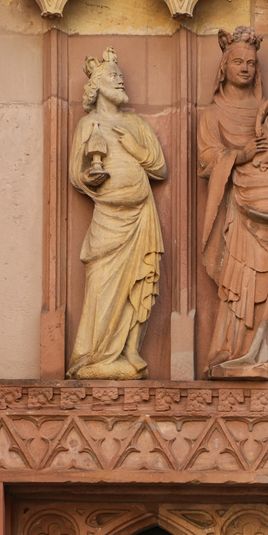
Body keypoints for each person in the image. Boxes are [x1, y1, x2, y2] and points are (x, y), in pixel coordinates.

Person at [197, 27, 268, 379]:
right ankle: (234, 354)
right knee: (241, 282)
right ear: (224, 66)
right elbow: (206, 161)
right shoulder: (213, 115)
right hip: (243, 210)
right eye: (237, 62)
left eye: (250, 62)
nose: (245, 68)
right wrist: (241, 154)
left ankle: (265, 354)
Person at [67, 48, 167, 379]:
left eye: (120, 77)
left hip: (140, 215)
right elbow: (75, 173)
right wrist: (90, 177)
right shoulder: (88, 124)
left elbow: (159, 168)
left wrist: (134, 149)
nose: (120, 80)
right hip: (108, 217)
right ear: (96, 85)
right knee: (102, 282)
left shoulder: (135, 123)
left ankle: (128, 351)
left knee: (139, 281)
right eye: (112, 76)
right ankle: (92, 356)